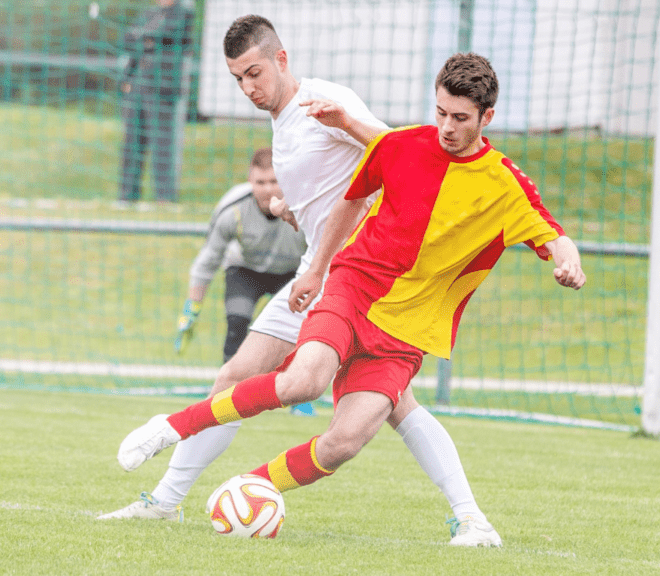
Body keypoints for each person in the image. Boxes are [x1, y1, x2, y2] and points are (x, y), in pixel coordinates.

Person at [101, 15, 500, 548]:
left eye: (255, 73)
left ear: (281, 59)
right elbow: (340, 184)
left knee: (393, 406)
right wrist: (301, 210)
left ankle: (471, 516)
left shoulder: (324, 101)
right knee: (233, 377)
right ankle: (166, 502)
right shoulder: (283, 121)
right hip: (316, 275)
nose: (248, 87)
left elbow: (399, 158)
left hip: (364, 281)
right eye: (238, 78)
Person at [173, 147, 316, 415]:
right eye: (260, 182)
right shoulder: (233, 209)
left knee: (292, 332)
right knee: (237, 321)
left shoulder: (305, 207)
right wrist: (192, 307)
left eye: (274, 181)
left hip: (291, 274)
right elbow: (208, 259)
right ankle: (226, 398)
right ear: (250, 181)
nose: (267, 189)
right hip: (245, 270)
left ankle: (298, 393)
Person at [118, 0, 195, 203]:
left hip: (162, 87)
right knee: (132, 143)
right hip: (138, 83)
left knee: (162, 145)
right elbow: (129, 38)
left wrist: (145, 37)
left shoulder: (182, 13)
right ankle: (127, 197)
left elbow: (166, 35)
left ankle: (164, 197)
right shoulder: (150, 14)